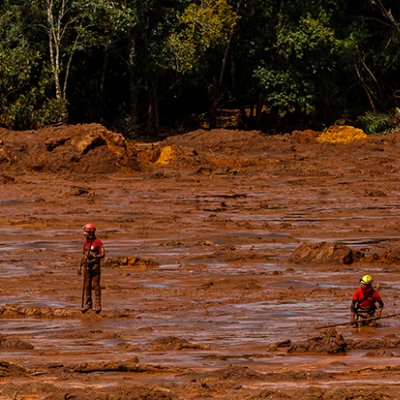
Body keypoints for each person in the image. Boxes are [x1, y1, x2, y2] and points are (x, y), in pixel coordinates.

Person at [78, 223, 105, 314]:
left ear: (90, 232)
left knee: (96, 285)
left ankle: (98, 305)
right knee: (87, 285)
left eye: (85, 231)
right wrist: (80, 266)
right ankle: (88, 304)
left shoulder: (97, 242)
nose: (84, 233)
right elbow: (83, 255)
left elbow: (102, 254)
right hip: (87, 266)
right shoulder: (86, 243)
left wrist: (94, 256)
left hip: (95, 266)